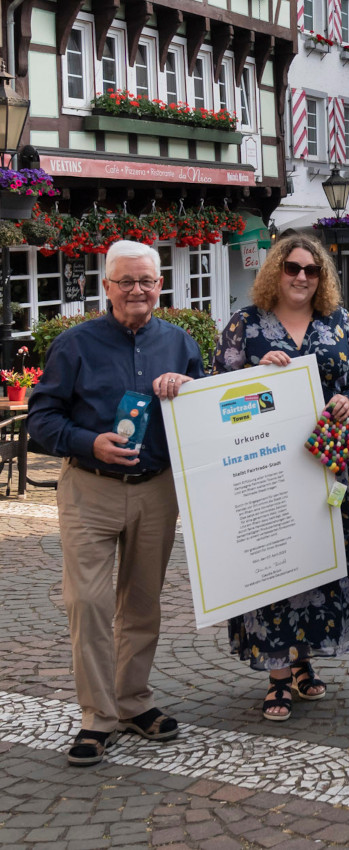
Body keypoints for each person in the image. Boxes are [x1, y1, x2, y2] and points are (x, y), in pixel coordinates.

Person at [28, 240, 205, 766]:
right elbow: (41, 417)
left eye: (146, 281)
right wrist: (90, 442)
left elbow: (202, 410)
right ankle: (96, 717)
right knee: (88, 602)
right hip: (91, 487)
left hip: (156, 487)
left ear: (160, 284)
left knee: (142, 602)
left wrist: (190, 386)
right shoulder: (74, 344)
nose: (137, 291)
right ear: (106, 286)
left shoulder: (179, 342)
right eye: (125, 281)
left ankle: (132, 702)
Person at [214, 234, 349, 722]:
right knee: (274, 560)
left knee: (320, 559)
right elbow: (219, 394)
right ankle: (277, 674)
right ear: (276, 271)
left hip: (329, 462)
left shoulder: (338, 322)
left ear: (322, 277)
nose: (301, 277)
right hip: (266, 466)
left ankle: (303, 658)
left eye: (312, 270)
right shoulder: (245, 326)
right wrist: (253, 372)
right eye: (292, 268)